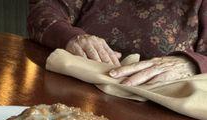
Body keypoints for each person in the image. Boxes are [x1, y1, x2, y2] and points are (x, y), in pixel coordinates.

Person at [28, 0, 207, 86]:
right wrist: (71, 37)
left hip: (156, 111)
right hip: (74, 88)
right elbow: (44, 10)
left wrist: (190, 64)